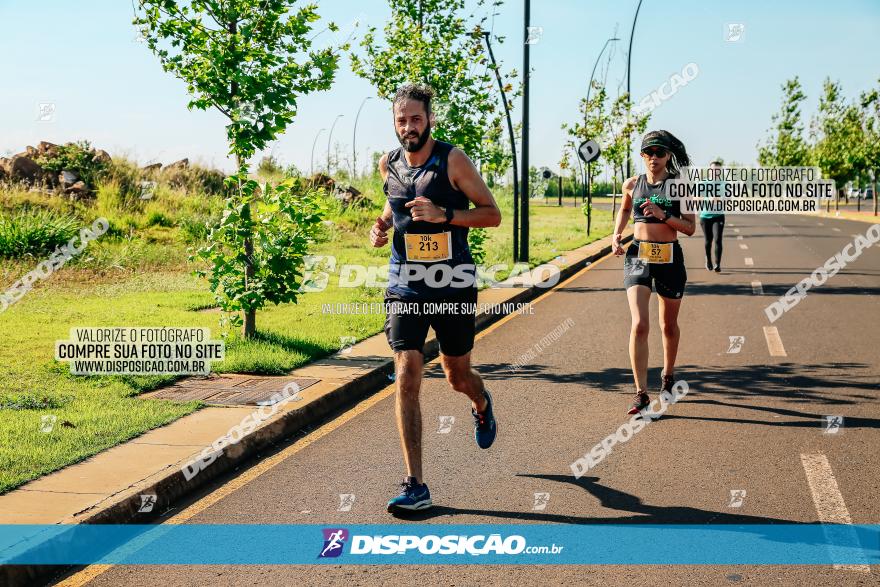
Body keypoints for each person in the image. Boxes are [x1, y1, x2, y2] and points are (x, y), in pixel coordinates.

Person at [369, 83, 502, 513]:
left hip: (453, 282)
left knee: (456, 377)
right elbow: (394, 204)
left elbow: (492, 213)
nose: (409, 127)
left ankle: (481, 402)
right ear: (394, 122)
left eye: (416, 119)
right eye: (401, 119)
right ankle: (416, 485)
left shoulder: (453, 160)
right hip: (405, 283)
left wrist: (446, 215)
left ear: (430, 120)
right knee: (407, 372)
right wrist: (381, 225)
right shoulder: (388, 164)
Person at [611, 130, 696, 415]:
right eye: (649, 153)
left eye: (660, 153)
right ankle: (640, 393)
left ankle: (668, 376)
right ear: (642, 156)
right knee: (639, 324)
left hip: (670, 258)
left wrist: (663, 216)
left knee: (668, 326)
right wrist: (616, 234)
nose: (654, 158)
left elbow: (690, 227)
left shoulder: (679, 186)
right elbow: (625, 210)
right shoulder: (632, 184)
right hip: (638, 256)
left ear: (669, 156)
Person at [700, 158, 726, 272]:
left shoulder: (724, 184)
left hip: (718, 216)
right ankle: (709, 260)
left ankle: (717, 264)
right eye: (713, 170)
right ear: (709, 171)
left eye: (717, 170)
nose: (715, 172)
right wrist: (707, 198)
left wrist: (720, 199)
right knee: (707, 241)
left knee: (718, 240)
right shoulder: (703, 183)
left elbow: (728, 198)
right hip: (705, 216)